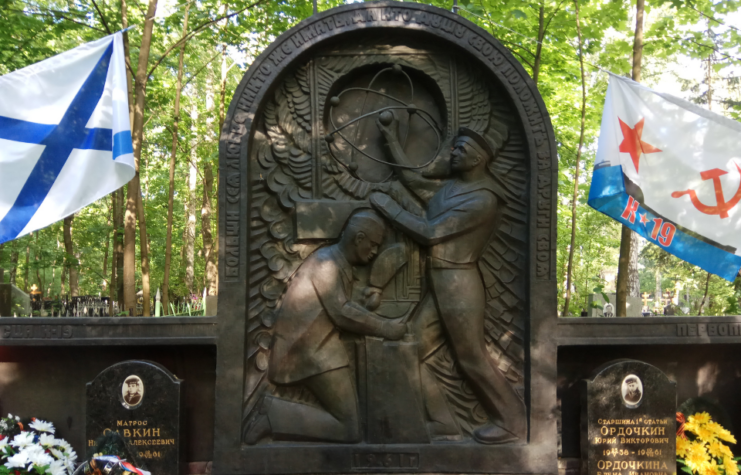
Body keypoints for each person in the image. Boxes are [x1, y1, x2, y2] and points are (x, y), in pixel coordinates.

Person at [369, 113, 526, 444]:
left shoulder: (483, 199)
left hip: (459, 284)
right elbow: (415, 181)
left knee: (470, 358)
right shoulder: (453, 189)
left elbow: (430, 233)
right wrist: (391, 138)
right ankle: (438, 423)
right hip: (440, 283)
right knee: (408, 346)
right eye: (455, 145)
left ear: (480, 157)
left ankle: (513, 422)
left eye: (461, 147)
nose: (453, 151)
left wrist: (389, 209)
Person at [244, 210, 407, 444]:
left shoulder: (334, 261)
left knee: (350, 426)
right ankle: (273, 414)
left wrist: (362, 300)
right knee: (349, 428)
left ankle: (273, 413)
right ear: (359, 238)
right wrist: (386, 328)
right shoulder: (326, 263)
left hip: (320, 346)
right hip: (308, 351)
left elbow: (340, 304)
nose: (374, 253)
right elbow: (342, 313)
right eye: (373, 245)